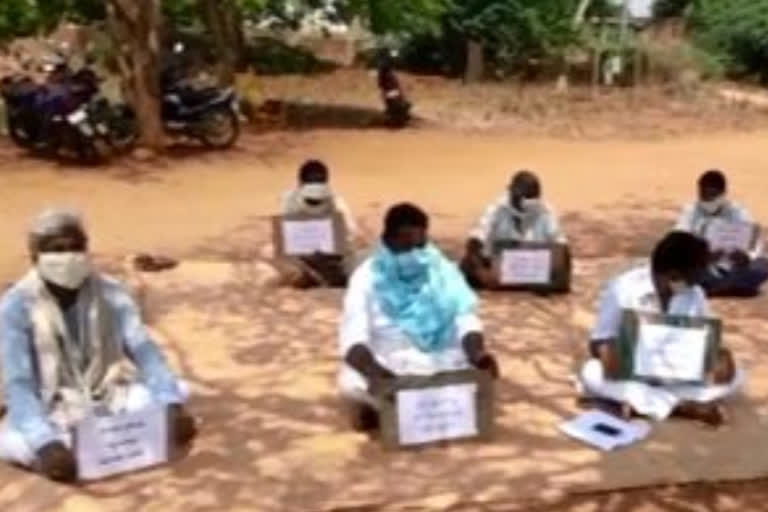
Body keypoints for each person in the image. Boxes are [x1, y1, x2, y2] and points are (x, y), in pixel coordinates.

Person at [0, 209, 196, 482]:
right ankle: (62, 451)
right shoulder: (16, 306)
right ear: (36, 257)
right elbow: (18, 383)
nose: (68, 256)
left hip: (108, 391)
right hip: (51, 402)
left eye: (75, 247)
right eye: (56, 249)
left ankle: (103, 443)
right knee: (14, 440)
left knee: (170, 394)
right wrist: (46, 444)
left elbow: (143, 350)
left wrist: (171, 404)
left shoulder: (111, 292)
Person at [338, 203, 499, 430]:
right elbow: (353, 339)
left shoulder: (441, 269)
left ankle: (397, 409)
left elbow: (465, 317)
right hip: (389, 362)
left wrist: (478, 353)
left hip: (440, 358)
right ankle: (384, 405)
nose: (415, 253)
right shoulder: (365, 277)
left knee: (477, 376)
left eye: (420, 245)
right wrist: (378, 375)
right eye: (406, 246)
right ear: (389, 240)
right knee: (352, 383)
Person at [580, 231, 744, 426]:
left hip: (678, 375)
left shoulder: (695, 293)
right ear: (673, 275)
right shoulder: (623, 288)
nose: (696, 283)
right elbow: (598, 341)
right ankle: (683, 406)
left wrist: (719, 357)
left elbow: (706, 340)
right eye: (693, 277)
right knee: (591, 372)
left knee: (738, 377)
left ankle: (650, 404)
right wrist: (612, 355)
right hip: (635, 376)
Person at [461, 170, 569, 290]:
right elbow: (476, 240)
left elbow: (562, 248)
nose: (524, 204)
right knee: (466, 266)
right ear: (510, 192)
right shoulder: (496, 209)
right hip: (496, 265)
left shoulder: (546, 212)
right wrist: (482, 274)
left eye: (530, 200)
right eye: (521, 198)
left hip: (532, 266)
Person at [675, 169, 768, 297]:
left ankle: (719, 286)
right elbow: (678, 239)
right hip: (703, 267)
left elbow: (753, 242)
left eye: (712, 195)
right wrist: (702, 256)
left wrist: (746, 256)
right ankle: (727, 286)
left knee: (763, 265)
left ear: (723, 194)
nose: (707, 199)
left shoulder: (737, 212)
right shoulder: (691, 211)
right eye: (703, 195)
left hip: (734, 267)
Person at [279, 159, 360, 288]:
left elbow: (285, 237)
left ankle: (312, 276)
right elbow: (352, 234)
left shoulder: (289, 200)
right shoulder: (337, 201)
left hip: (312, 260)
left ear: (300, 183)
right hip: (331, 260)